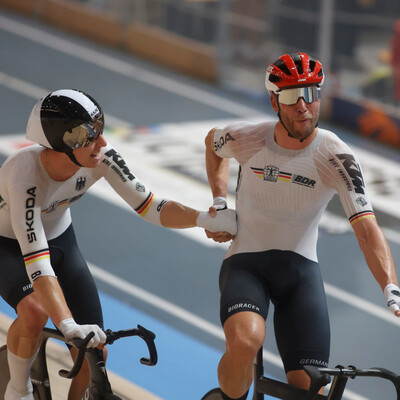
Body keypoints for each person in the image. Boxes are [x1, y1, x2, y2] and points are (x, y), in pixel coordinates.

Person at [0, 89, 237, 400]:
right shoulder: (23, 175)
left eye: (100, 130)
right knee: (34, 311)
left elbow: (151, 205)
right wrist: (68, 324)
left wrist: (203, 219)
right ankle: (17, 389)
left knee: (94, 353)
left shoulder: (101, 157)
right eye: (90, 135)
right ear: (63, 142)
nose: (102, 143)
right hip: (10, 246)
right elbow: (38, 263)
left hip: (59, 240)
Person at [203, 52, 400, 400]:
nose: (303, 107)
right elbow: (213, 144)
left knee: (309, 387)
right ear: (274, 101)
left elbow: (367, 229)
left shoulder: (335, 156)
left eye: (311, 94)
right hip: (246, 264)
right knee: (247, 340)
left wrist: (390, 287)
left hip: (300, 272)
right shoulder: (248, 138)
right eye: (293, 97)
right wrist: (219, 202)